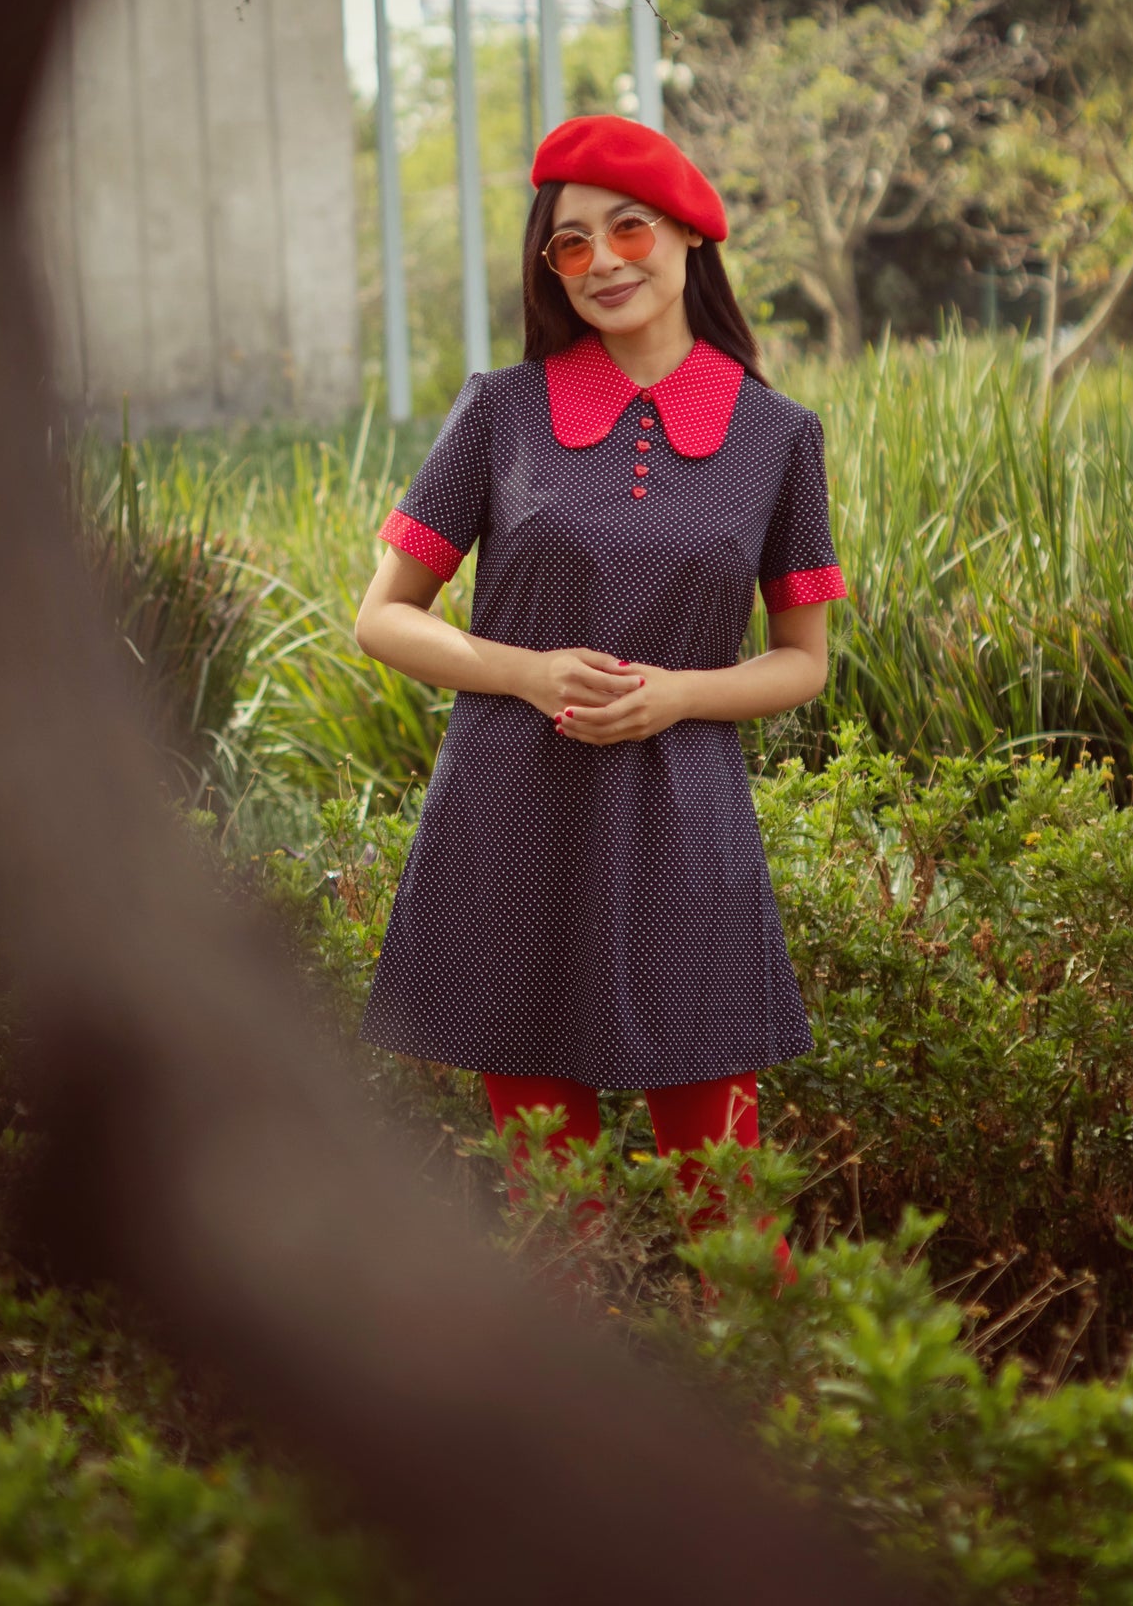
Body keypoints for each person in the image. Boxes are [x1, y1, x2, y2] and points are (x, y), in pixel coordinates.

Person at [352, 114, 845, 1248]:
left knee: (727, 1207)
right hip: (508, 816)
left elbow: (801, 660)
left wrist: (677, 693)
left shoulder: (776, 437)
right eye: (570, 244)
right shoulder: (498, 411)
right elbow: (381, 617)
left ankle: (755, 1372)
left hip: (684, 824)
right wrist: (525, 671)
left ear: (688, 236)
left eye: (628, 230)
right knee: (553, 1216)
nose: (603, 262)